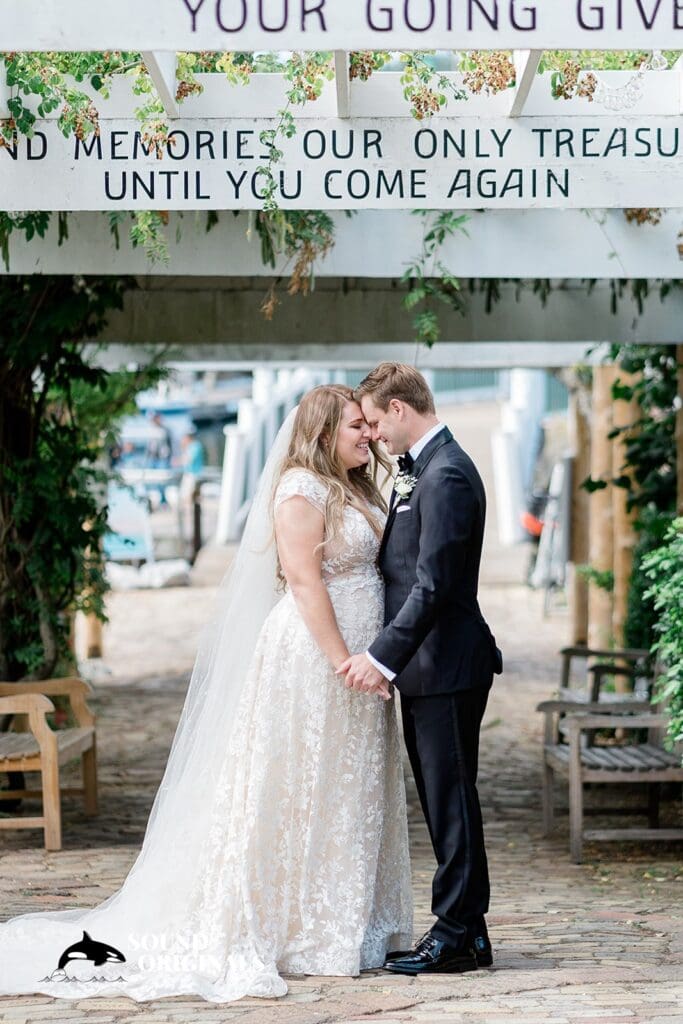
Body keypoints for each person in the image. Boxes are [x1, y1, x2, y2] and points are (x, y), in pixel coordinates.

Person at [0, 385, 412, 1003]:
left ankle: (343, 924)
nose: (367, 434)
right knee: (300, 784)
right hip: (315, 660)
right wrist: (342, 662)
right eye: (356, 425)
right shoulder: (300, 489)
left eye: (367, 425)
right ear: (324, 431)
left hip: (362, 660)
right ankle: (299, 929)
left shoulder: (356, 487)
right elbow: (303, 584)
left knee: (344, 786)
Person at [339, 363, 502, 976]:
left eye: (377, 421)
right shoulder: (427, 472)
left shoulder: (448, 476)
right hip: (432, 668)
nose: (376, 435)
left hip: (448, 665)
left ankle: (455, 932)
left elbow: (432, 586)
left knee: (452, 800)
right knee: (446, 800)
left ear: (401, 411)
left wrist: (381, 657)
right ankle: (472, 934)